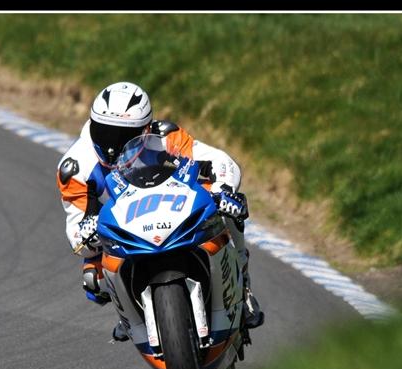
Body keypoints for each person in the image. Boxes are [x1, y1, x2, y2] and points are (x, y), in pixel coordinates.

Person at [56, 81, 263, 341]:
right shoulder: (75, 167)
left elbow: (222, 162)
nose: (112, 147)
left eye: (123, 138)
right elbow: (77, 234)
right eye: (105, 133)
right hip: (119, 230)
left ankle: (243, 287)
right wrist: (88, 231)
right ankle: (129, 318)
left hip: (171, 212)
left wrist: (222, 189)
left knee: (228, 211)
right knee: (93, 281)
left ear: (145, 128)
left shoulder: (164, 137)